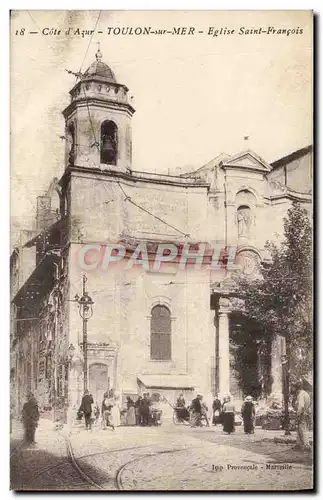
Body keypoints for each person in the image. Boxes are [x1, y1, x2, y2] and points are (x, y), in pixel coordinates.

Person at [295, 380, 311, 450]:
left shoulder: (301, 394)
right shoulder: (305, 393)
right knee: (299, 429)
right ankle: (299, 444)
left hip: (302, 414)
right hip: (305, 413)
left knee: (303, 430)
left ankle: (307, 445)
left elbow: (301, 406)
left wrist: (298, 414)